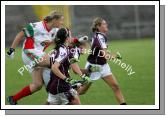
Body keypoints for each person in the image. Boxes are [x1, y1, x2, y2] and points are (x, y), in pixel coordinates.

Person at [7, 11, 64, 105]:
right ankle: (61, 87)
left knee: (37, 85)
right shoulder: (36, 26)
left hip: (39, 54)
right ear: (54, 20)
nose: (62, 23)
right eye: (61, 21)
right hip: (29, 53)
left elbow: (65, 40)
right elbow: (20, 34)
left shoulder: (55, 30)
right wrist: (12, 50)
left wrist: (77, 42)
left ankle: (13, 98)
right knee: (55, 62)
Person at [77, 17, 127, 105]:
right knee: (82, 91)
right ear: (98, 26)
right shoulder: (100, 37)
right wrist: (116, 56)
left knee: (115, 86)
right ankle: (64, 99)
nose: (106, 25)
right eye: (104, 24)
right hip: (93, 67)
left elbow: (97, 52)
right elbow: (105, 55)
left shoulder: (100, 36)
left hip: (103, 66)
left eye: (106, 23)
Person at [45, 28, 90, 104]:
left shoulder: (61, 48)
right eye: (70, 35)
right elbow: (54, 67)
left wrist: (82, 76)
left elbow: (73, 64)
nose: (72, 37)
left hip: (54, 85)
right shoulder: (63, 50)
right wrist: (67, 79)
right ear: (66, 38)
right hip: (61, 86)